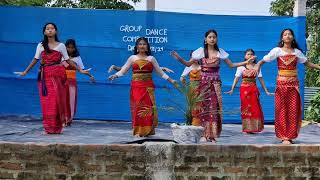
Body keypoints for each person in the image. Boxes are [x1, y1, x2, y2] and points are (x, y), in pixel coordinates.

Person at [172, 29, 254, 143]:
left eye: (214, 37)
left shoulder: (220, 52)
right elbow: (188, 63)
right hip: (204, 83)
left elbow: (231, 65)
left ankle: (213, 135)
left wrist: (246, 62)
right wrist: (179, 58)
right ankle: (204, 134)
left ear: (216, 39)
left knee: (214, 108)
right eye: (210, 37)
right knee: (204, 108)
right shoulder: (200, 51)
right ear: (205, 39)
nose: (212, 39)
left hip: (215, 84)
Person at [14, 23, 89, 134]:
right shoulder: (40, 45)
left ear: (56, 31)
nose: (49, 30)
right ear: (44, 32)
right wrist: (25, 72)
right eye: (47, 29)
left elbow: (68, 60)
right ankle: (48, 127)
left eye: (52, 28)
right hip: (45, 76)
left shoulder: (61, 46)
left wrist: (80, 70)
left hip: (58, 75)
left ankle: (57, 127)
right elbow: (35, 59)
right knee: (47, 102)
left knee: (56, 101)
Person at [258, 28, 320, 144]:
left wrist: (317, 67)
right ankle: (283, 136)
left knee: (293, 110)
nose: (287, 36)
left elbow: (307, 63)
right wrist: (258, 65)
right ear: (282, 38)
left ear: (292, 37)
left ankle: (290, 136)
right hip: (281, 85)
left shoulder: (297, 52)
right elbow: (264, 60)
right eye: (285, 34)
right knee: (281, 109)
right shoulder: (277, 51)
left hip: (293, 86)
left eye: (290, 34)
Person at [108, 37, 177, 137]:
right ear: (136, 46)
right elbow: (123, 70)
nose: (142, 46)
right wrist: (115, 75)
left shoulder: (151, 59)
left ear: (147, 47)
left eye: (144, 44)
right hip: (136, 87)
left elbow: (160, 72)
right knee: (137, 108)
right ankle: (138, 131)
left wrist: (171, 80)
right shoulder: (132, 58)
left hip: (148, 87)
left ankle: (147, 131)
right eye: (140, 44)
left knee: (147, 109)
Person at [225, 49, 274, 133]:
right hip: (244, 89)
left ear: (254, 56)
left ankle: (254, 127)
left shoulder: (257, 66)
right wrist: (232, 88)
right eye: (248, 54)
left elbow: (261, 79)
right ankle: (247, 128)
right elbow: (236, 78)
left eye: (251, 54)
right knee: (246, 108)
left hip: (253, 89)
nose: (250, 56)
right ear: (245, 56)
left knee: (255, 108)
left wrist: (266, 91)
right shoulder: (241, 66)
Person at [64, 39, 95, 126]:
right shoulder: (61, 56)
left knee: (71, 101)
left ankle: (68, 120)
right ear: (65, 47)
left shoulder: (77, 58)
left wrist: (90, 76)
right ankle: (61, 119)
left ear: (75, 48)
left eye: (72, 47)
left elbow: (82, 70)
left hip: (71, 82)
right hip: (61, 82)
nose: (70, 49)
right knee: (62, 100)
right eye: (68, 47)